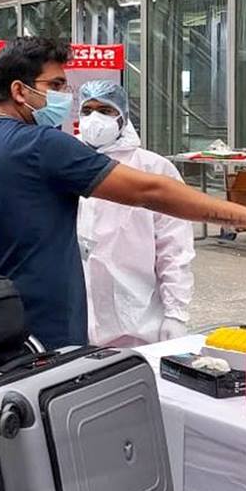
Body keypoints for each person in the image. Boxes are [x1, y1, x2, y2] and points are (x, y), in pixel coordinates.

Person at [0, 38, 246, 350]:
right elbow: (150, 191)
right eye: (55, 86)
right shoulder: (40, 145)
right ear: (19, 91)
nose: (63, 98)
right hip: (44, 341)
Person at [75, 80, 195, 347]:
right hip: (74, 318)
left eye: (105, 110)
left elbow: (174, 247)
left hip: (137, 321)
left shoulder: (152, 168)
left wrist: (176, 313)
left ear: (123, 116)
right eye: (87, 110)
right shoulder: (65, 162)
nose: (94, 118)